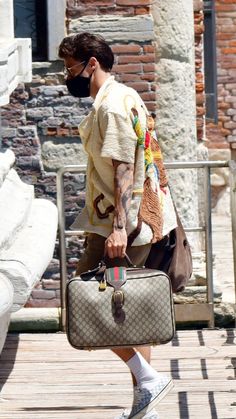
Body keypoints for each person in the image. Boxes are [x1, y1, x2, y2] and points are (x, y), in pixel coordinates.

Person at [58, 32, 177, 419]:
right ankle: (147, 405)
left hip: (119, 224)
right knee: (128, 312)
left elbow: (124, 167)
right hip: (128, 219)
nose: (66, 75)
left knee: (82, 305)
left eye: (69, 66)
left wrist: (120, 228)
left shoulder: (110, 105)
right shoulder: (125, 96)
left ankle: (147, 378)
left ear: (91, 63)